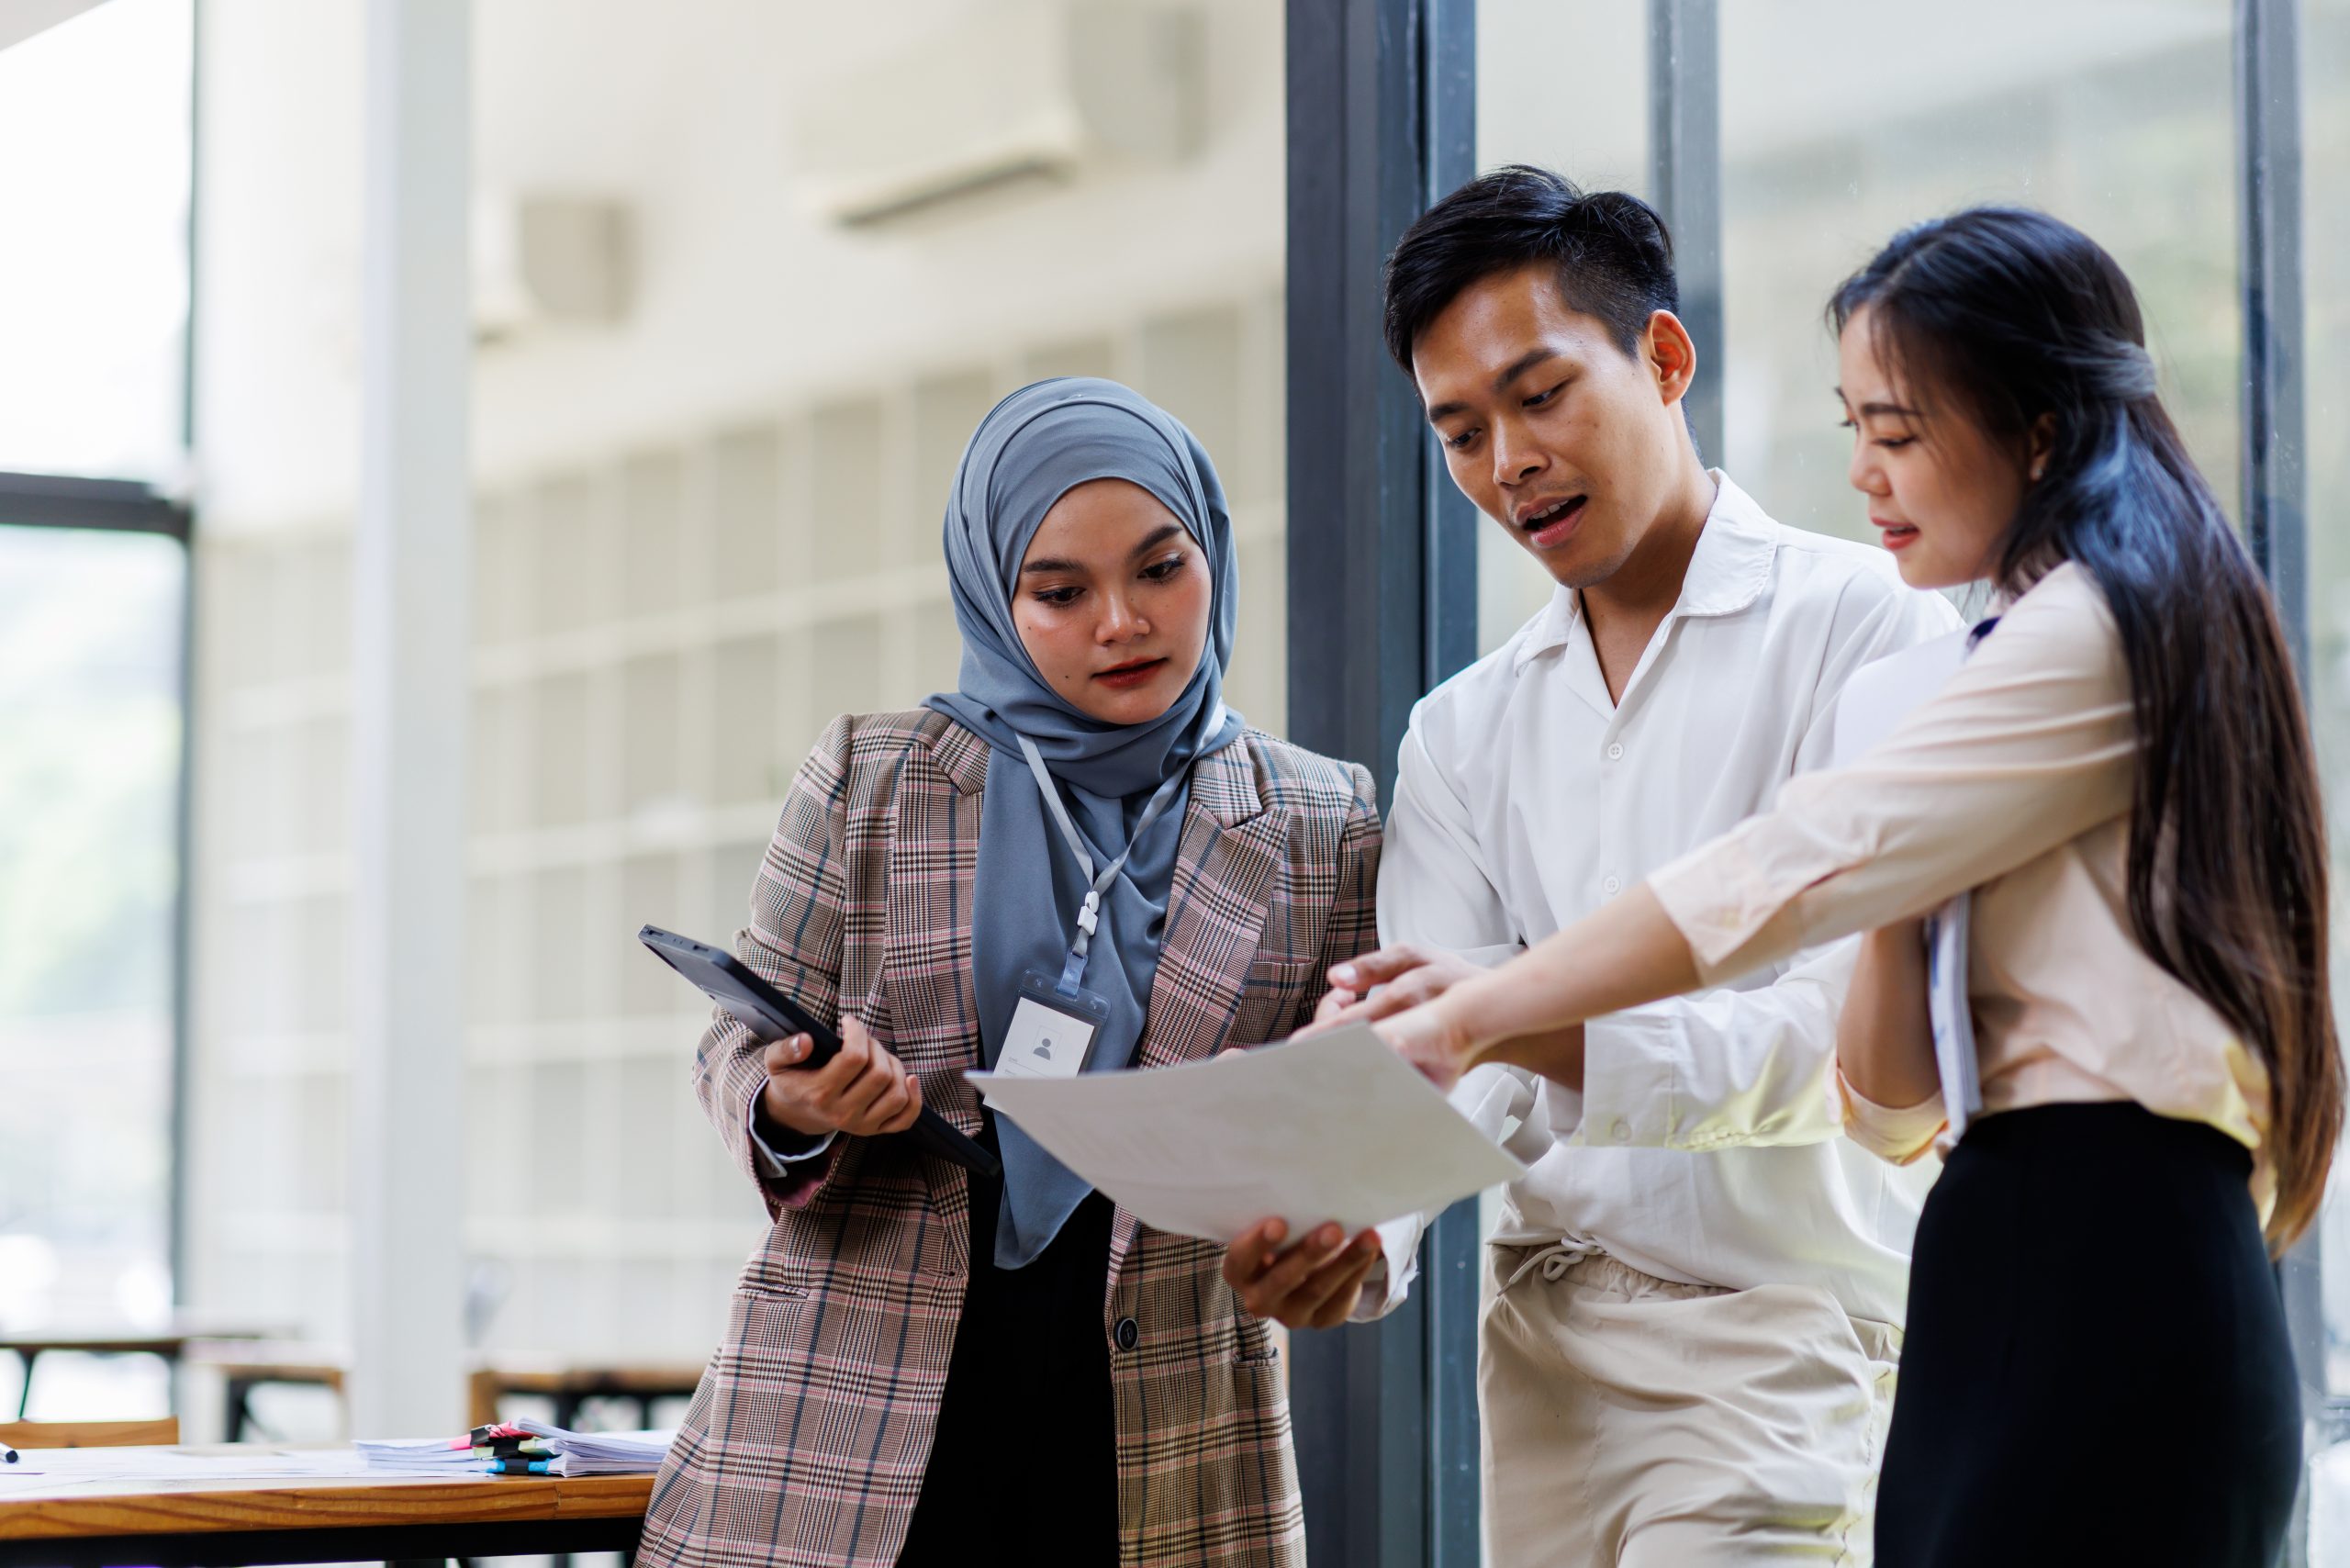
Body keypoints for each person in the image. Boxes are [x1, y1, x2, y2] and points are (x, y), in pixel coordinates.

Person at [1352, 207, 2335, 1568]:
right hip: (1994, 1251)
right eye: (1853, 428)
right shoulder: (1979, 655)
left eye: (1899, 431)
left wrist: (1486, 1011)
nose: (1865, 473)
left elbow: (1785, 872)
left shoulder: (2080, 635)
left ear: (2037, 432)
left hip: (2097, 1252)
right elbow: (1887, 1098)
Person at [1223, 165, 1958, 1566]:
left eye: (1541, 394)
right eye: (1461, 431)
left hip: (1782, 1346)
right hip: (1542, 1366)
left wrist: (1520, 1022)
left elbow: (1845, 1046)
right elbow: (1446, 1060)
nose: (1508, 462)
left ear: (1665, 358)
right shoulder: (1462, 732)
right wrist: (1359, 1237)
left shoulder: (1868, 630)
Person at [637, 378, 1382, 1568]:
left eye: (1160, 569)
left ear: (1213, 554)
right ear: (995, 593)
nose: (1123, 623)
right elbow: (735, 1046)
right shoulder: (870, 777)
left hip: (1166, 1439)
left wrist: (1332, 1213)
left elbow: (1359, 1115)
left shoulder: (1321, 820)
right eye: (1061, 592)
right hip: (857, 1423)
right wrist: (796, 1102)